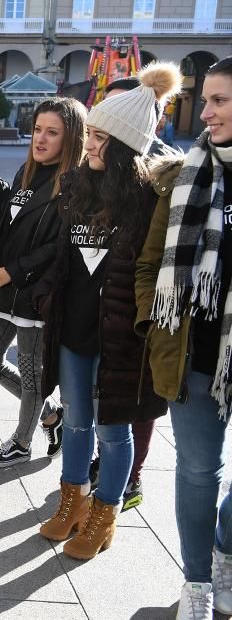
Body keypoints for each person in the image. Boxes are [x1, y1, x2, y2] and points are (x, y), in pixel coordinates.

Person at [33, 61, 179, 560]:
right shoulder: (74, 185)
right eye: (90, 134)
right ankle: (70, 502)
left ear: (122, 144)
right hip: (72, 330)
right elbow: (63, 255)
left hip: (120, 338)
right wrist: (46, 296)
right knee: (75, 420)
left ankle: (103, 514)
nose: (89, 143)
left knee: (113, 430)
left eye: (98, 136)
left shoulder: (146, 198)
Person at [135, 55, 232, 618]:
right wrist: (157, 322)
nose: (206, 112)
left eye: (221, 101)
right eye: (206, 100)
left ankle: (225, 549)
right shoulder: (184, 176)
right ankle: (197, 584)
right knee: (199, 471)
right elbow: (151, 265)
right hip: (193, 354)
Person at [0, 97, 87, 468]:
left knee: (30, 374)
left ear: (71, 138)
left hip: (35, 295)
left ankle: (22, 443)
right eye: (38, 129)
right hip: (2, 286)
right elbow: (4, 226)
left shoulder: (75, 185)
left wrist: (15, 270)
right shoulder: (26, 170)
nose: (40, 139)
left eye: (52, 132)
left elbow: (60, 247)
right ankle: (50, 413)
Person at [83, 76, 178, 510]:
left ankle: (130, 478)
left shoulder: (155, 187)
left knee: (133, 405)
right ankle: (108, 471)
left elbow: (150, 262)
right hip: (96, 314)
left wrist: (142, 314)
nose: (92, 140)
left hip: (133, 318)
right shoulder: (88, 180)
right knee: (104, 406)